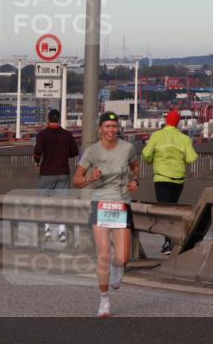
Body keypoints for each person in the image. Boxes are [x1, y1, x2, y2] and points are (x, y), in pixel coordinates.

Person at [73, 111, 140, 317]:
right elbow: (76, 180)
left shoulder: (128, 148)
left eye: (114, 126)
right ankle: (104, 302)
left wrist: (135, 181)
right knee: (103, 253)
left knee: (122, 257)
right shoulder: (92, 151)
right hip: (101, 203)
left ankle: (117, 268)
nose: (111, 130)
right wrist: (90, 179)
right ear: (100, 129)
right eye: (107, 126)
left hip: (121, 203)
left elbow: (135, 168)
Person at [141, 108, 197, 254]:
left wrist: (151, 160)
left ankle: (167, 242)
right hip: (178, 179)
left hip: (161, 178)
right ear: (177, 123)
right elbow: (191, 158)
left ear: (166, 121)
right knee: (172, 209)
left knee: (164, 211)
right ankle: (170, 241)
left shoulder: (157, 136)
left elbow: (146, 154)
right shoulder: (184, 139)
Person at [34, 108, 79, 244]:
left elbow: (37, 151)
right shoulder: (67, 135)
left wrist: (37, 162)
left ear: (48, 119)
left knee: (45, 202)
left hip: (47, 172)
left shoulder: (42, 134)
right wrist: (65, 154)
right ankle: (62, 231)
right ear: (59, 119)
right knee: (62, 203)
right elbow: (75, 152)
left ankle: (47, 229)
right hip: (63, 172)